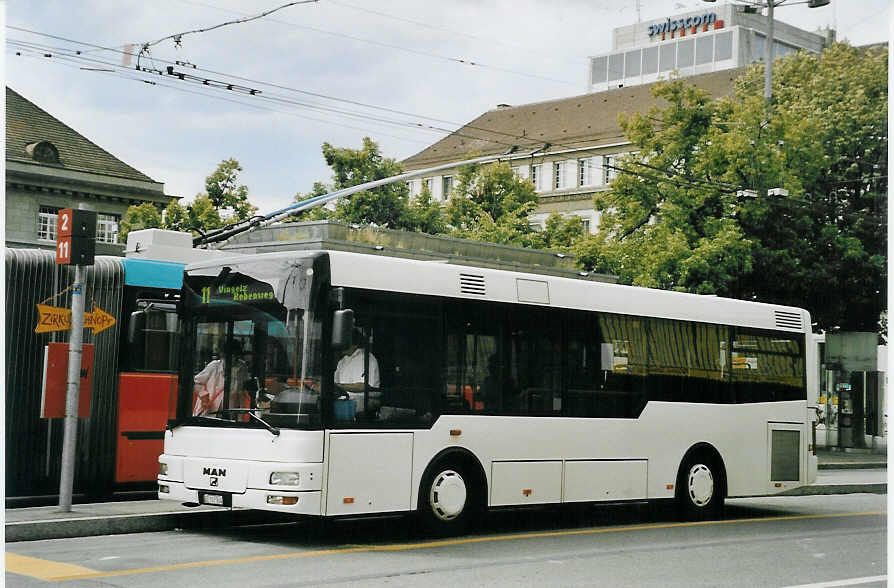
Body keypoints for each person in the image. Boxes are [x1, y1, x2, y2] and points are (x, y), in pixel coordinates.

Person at [334, 328, 380, 412]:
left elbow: (363, 386)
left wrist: (338, 387)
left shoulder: (366, 358)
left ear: (354, 344)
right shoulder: (343, 361)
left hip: (362, 407)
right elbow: (335, 383)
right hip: (344, 403)